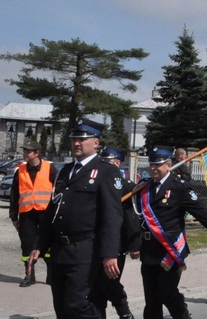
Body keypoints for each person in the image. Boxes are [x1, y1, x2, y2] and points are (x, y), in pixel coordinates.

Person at [29, 119, 124, 318]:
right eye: (74, 139)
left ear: (96, 142)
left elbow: (112, 216)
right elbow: (52, 211)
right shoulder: (65, 171)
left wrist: (109, 253)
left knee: (78, 303)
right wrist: (39, 244)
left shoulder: (107, 171)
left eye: (82, 139)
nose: (77, 143)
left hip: (85, 250)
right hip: (59, 250)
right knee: (61, 306)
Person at [135, 145, 207, 319]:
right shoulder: (144, 188)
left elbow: (203, 214)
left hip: (170, 250)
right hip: (148, 250)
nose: (154, 168)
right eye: (152, 165)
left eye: (158, 165)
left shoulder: (179, 188)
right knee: (151, 298)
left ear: (169, 164)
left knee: (167, 293)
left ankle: (182, 314)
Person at [92, 146, 141, 319]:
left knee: (110, 281)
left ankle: (124, 310)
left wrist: (135, 245)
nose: (105, 165)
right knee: (94, 286)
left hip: (115, 244)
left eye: (109, 162)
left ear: (118, 163)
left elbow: (131, 218)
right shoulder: (97, 182)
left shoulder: (126, 187)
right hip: (94, 241)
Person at [9, 141, 57, 287]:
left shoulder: (50, 168)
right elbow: (14, 194)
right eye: (24, 151)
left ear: (37, 153)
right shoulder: (20, 170)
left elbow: (58, 191)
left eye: (28, 151)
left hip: (46, 213)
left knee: (48, 245)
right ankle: (29, 275)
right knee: (27, 245)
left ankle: (51, 276)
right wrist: (13, 216)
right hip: (27, 214)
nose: (25, 154)